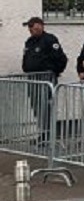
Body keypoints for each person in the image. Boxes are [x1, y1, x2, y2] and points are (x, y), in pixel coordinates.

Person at [21, 17, 68, 145]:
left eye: (34, 27)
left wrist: (54, 72)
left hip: (45, 78)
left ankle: (49, 134)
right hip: (33, 78)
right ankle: (43, 132)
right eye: (30, 28)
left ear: (41, 26)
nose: (31, 30)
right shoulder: (30, 41)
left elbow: (61, 59)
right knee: (36, 106)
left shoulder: (49, 40)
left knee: (45, 106)